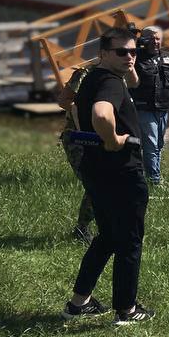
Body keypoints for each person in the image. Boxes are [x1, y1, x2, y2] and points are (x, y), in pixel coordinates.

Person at [63, 27, 155, 325]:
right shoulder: (111, 84)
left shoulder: (94, 78)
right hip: (122, 174)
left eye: (133, 51)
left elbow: (76, 107)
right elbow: (102, 113)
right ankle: (127, 310)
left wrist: (128, 70)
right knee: (129, 241)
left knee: (108, 238)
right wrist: (113, 138)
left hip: (97, 170)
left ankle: (79, 303)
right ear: (103, 53)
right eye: (122, 52)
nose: (130, 56)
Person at [130, 25, 169, 186]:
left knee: (159, 145)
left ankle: (150, 176)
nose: (155, 41)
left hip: (163, 108)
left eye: (158, 38)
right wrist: (134, 42)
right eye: (152, 38)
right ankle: (155, 181)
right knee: (151, 144)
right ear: (145, 39)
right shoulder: (136, 56)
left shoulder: (168, 57)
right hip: (144, 108)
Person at [57, 62, 96, 245]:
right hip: (79, 138)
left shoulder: (123, 74)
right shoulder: (86, 73)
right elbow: (64, 101)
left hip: (106, 136)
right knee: (94, 182)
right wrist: (81, 110)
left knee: (106, 183)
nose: (129, 56)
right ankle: (82, 228)